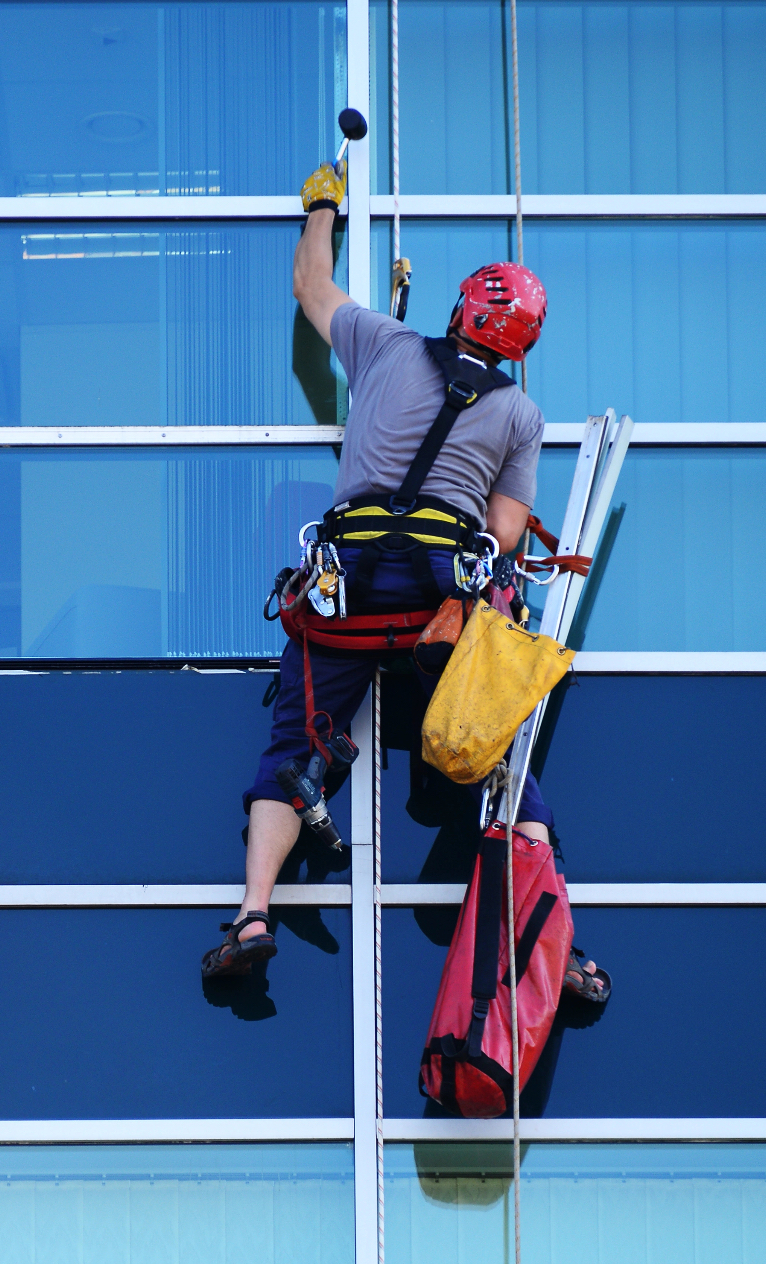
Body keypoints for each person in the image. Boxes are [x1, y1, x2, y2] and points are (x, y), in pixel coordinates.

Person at [200, 157, 553, 978]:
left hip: (346, 588)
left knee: (294, 749)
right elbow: (503, 532)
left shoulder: (383, 342)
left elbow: (310, 287)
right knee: (500, 756)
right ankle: (548, 928)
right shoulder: (519, 413)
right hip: (439, 602)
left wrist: (323, 207)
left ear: (461, 309)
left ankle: (253, 916)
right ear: (521, 345)